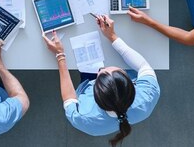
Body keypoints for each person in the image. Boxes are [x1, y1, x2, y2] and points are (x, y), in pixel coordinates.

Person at [41, 15, 160, 146]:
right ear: (130, 84)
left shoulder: (83, 118)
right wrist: (112, 36)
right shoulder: (147, 96)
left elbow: (69, 98)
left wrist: (60, 55)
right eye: (119, 71)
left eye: (99, 75)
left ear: (95, 94)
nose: (101, 69)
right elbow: (143, 65)